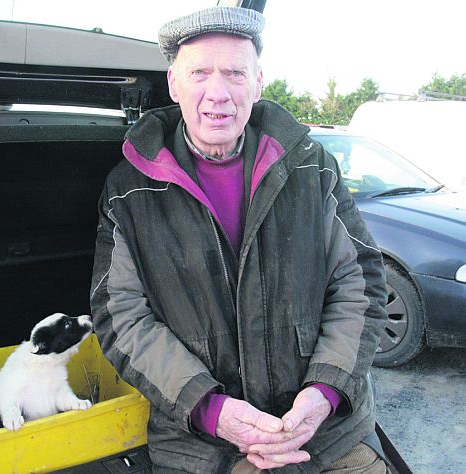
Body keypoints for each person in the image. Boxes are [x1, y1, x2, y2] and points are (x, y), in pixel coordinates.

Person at [90, 6, 388, 473]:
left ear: (258, 81)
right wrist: (210, 410)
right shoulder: (129, 189)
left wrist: (327, 391)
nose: (218, 93)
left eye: (234, 73)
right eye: (200, 73)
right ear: (174, 84)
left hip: (329, 435)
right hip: (205, 446)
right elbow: (121, 315)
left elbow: (362, 283)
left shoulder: (312, 167)